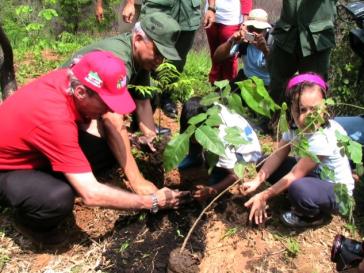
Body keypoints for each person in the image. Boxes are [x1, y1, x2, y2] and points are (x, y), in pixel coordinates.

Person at [0, 51, 189, 248]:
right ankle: (29, 223)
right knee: (57, 198)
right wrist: (151, 202)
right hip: (6, 169)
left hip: (33, 149)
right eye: (106, 104)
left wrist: (136, 170)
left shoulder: (69, 80)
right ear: (81, 92)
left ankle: (58, 175)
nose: (109, 110)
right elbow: (91, 194)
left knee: (107, 150)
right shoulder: (54, 118)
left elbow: (98, 127)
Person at [64, 12, 180, 194]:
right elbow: (112, 119)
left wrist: (151, 139)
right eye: (157, 53)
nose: (160, 61)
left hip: (88, 107)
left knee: (120, 140)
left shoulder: (140, 58)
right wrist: (137, 181)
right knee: (105, 152)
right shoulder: (119, 60)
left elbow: (143, 103)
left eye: (163, 56)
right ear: (139, 39)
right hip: (68, 109)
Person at [240, 73, 354, 227]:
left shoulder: (324, 137)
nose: (307, 116)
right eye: (301, 109)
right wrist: (257, 180)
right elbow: (278, 155)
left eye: (313, 109)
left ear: (325, 107)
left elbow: (295, 174)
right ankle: (301, 195)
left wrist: (264, 195)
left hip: (336, 192)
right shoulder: (295, 127)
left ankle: (314, 215)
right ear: (291, 110)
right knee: (264, 161)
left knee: (298, 188)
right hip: (314, 176)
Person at [120, 0, 216, 118]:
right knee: (146, 52)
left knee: (178, 58)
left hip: (188, 13)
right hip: (159, 8)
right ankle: (136, 95)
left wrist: (211, 8)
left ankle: (166, 97)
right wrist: (130, 3)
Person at [178, 97, 261, 201]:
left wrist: (212, 189)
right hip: (235, 134)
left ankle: (219, 173)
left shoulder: (221, 141)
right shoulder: (209, 108)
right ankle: (195, 157)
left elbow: (235, 175)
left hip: (245, 151)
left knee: (217, 175)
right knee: (194, 136)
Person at [268, 0, 337, 105]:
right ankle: (274, 120)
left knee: (314, 90)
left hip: (316, 39)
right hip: (286, 34)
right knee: (277, 89)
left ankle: (313, 121)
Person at [213, 8, 272, 89]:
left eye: (259, 30)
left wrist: (265, 50)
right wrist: (231, 41)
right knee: (221, 97)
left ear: (266, 30)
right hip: (247, 79)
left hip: (267, 84)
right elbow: (217, 57)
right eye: (251, 29)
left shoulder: (274, 42)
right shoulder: (243, 39)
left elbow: (278, 70)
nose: (254, 33)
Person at [206, 0, 252, 84]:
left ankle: (229, 84)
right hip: (212, 15)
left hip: (232, 19)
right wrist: (211, 8)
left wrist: (245, 22)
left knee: (229, 55)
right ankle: (215, 82)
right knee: (215, 52)